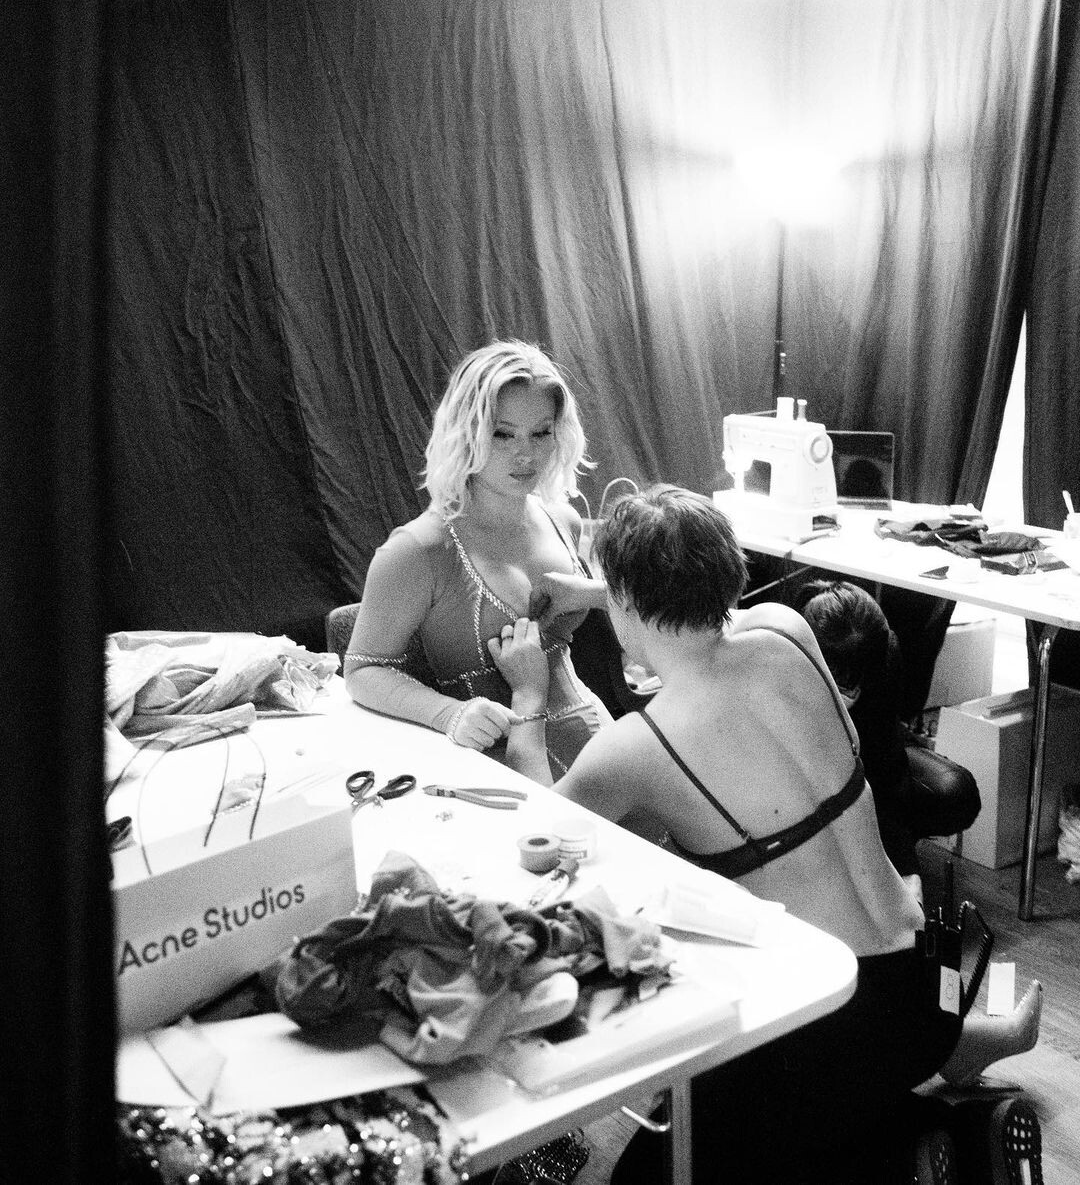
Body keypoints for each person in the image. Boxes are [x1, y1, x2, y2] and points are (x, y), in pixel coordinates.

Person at [492, 485, 1043, 1182]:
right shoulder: (786, 631)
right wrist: (595, 591)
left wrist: (528, 698)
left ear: (626, 604)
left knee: (652, 1173)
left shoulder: (635, 747)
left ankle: (943, 1143)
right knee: (826, 1091)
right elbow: (693, 608)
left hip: (836, 1013)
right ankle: (924, 1102)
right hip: (930, 973)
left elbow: (536, 837)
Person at [344, 340, 608, 776]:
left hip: (597, 739)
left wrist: (593, 593)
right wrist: (450, 714)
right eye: (502, 434)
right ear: (466, 431)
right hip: (499, 764)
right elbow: (362, 670)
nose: (526, 454)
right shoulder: (417, 551)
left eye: (541, 432)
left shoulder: (564, 520)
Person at [795, 579, 982, 889]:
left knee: (955, 793)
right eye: (842, 683)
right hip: (791, 769)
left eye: (858, 685)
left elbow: (884, 768)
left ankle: (883, 855)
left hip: (865, 750)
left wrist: (907, 869)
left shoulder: (883, 653)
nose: (851, 694)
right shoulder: (775, 651)